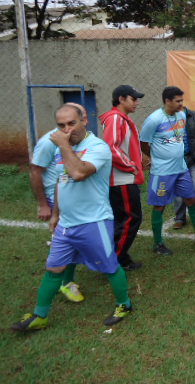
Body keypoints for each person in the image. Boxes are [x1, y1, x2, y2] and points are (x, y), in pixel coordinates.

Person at [12, 104, 133, 332]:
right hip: (66, 224)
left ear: (84, 120)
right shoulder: (63, 148)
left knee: (110, 268)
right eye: (61, 125)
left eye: (72, 123)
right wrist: (56, 214)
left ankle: (124, 305)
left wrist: (63, 145)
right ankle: (40, 315)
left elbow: (78, 173)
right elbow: (62, 181)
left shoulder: (97, 147)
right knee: (53, 269)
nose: (67, 130)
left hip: (94, 222)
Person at [139, 86, 195, 255]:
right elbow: (143, 143)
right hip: (162, 172)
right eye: (178, 101)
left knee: (191, 200)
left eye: (182, 100)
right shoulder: (154, 119)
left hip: (181, 168)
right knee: (159, 206)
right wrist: (154, 157)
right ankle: (158, 244)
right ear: (167, 101)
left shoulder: (181, 116)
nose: (181, 104)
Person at [29, 103, 88, 303]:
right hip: (56, 199)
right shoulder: (48, 142)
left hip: (74, 199)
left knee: (75, 240)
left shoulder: (80, 140)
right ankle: (65, 282)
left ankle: (66, 279)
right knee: (67, 243)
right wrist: (43, 204)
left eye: (79, 118)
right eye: (67, 122)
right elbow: (35, 171)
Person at [99, 85, 145, 272]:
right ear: (121, 99)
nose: (137, 103)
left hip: (124, 178)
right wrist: (131, 166)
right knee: (130, 219)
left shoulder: (121, 119)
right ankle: (114, 260)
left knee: (124, 219)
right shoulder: (116, 118)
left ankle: (120, 257)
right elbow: (111, 147)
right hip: (122, 180)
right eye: (133, 99)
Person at [172, 106, 195, 231]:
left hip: (194, 159)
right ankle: (180, 218)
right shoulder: (167, 118)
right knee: (178, 190)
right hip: (177, 161)